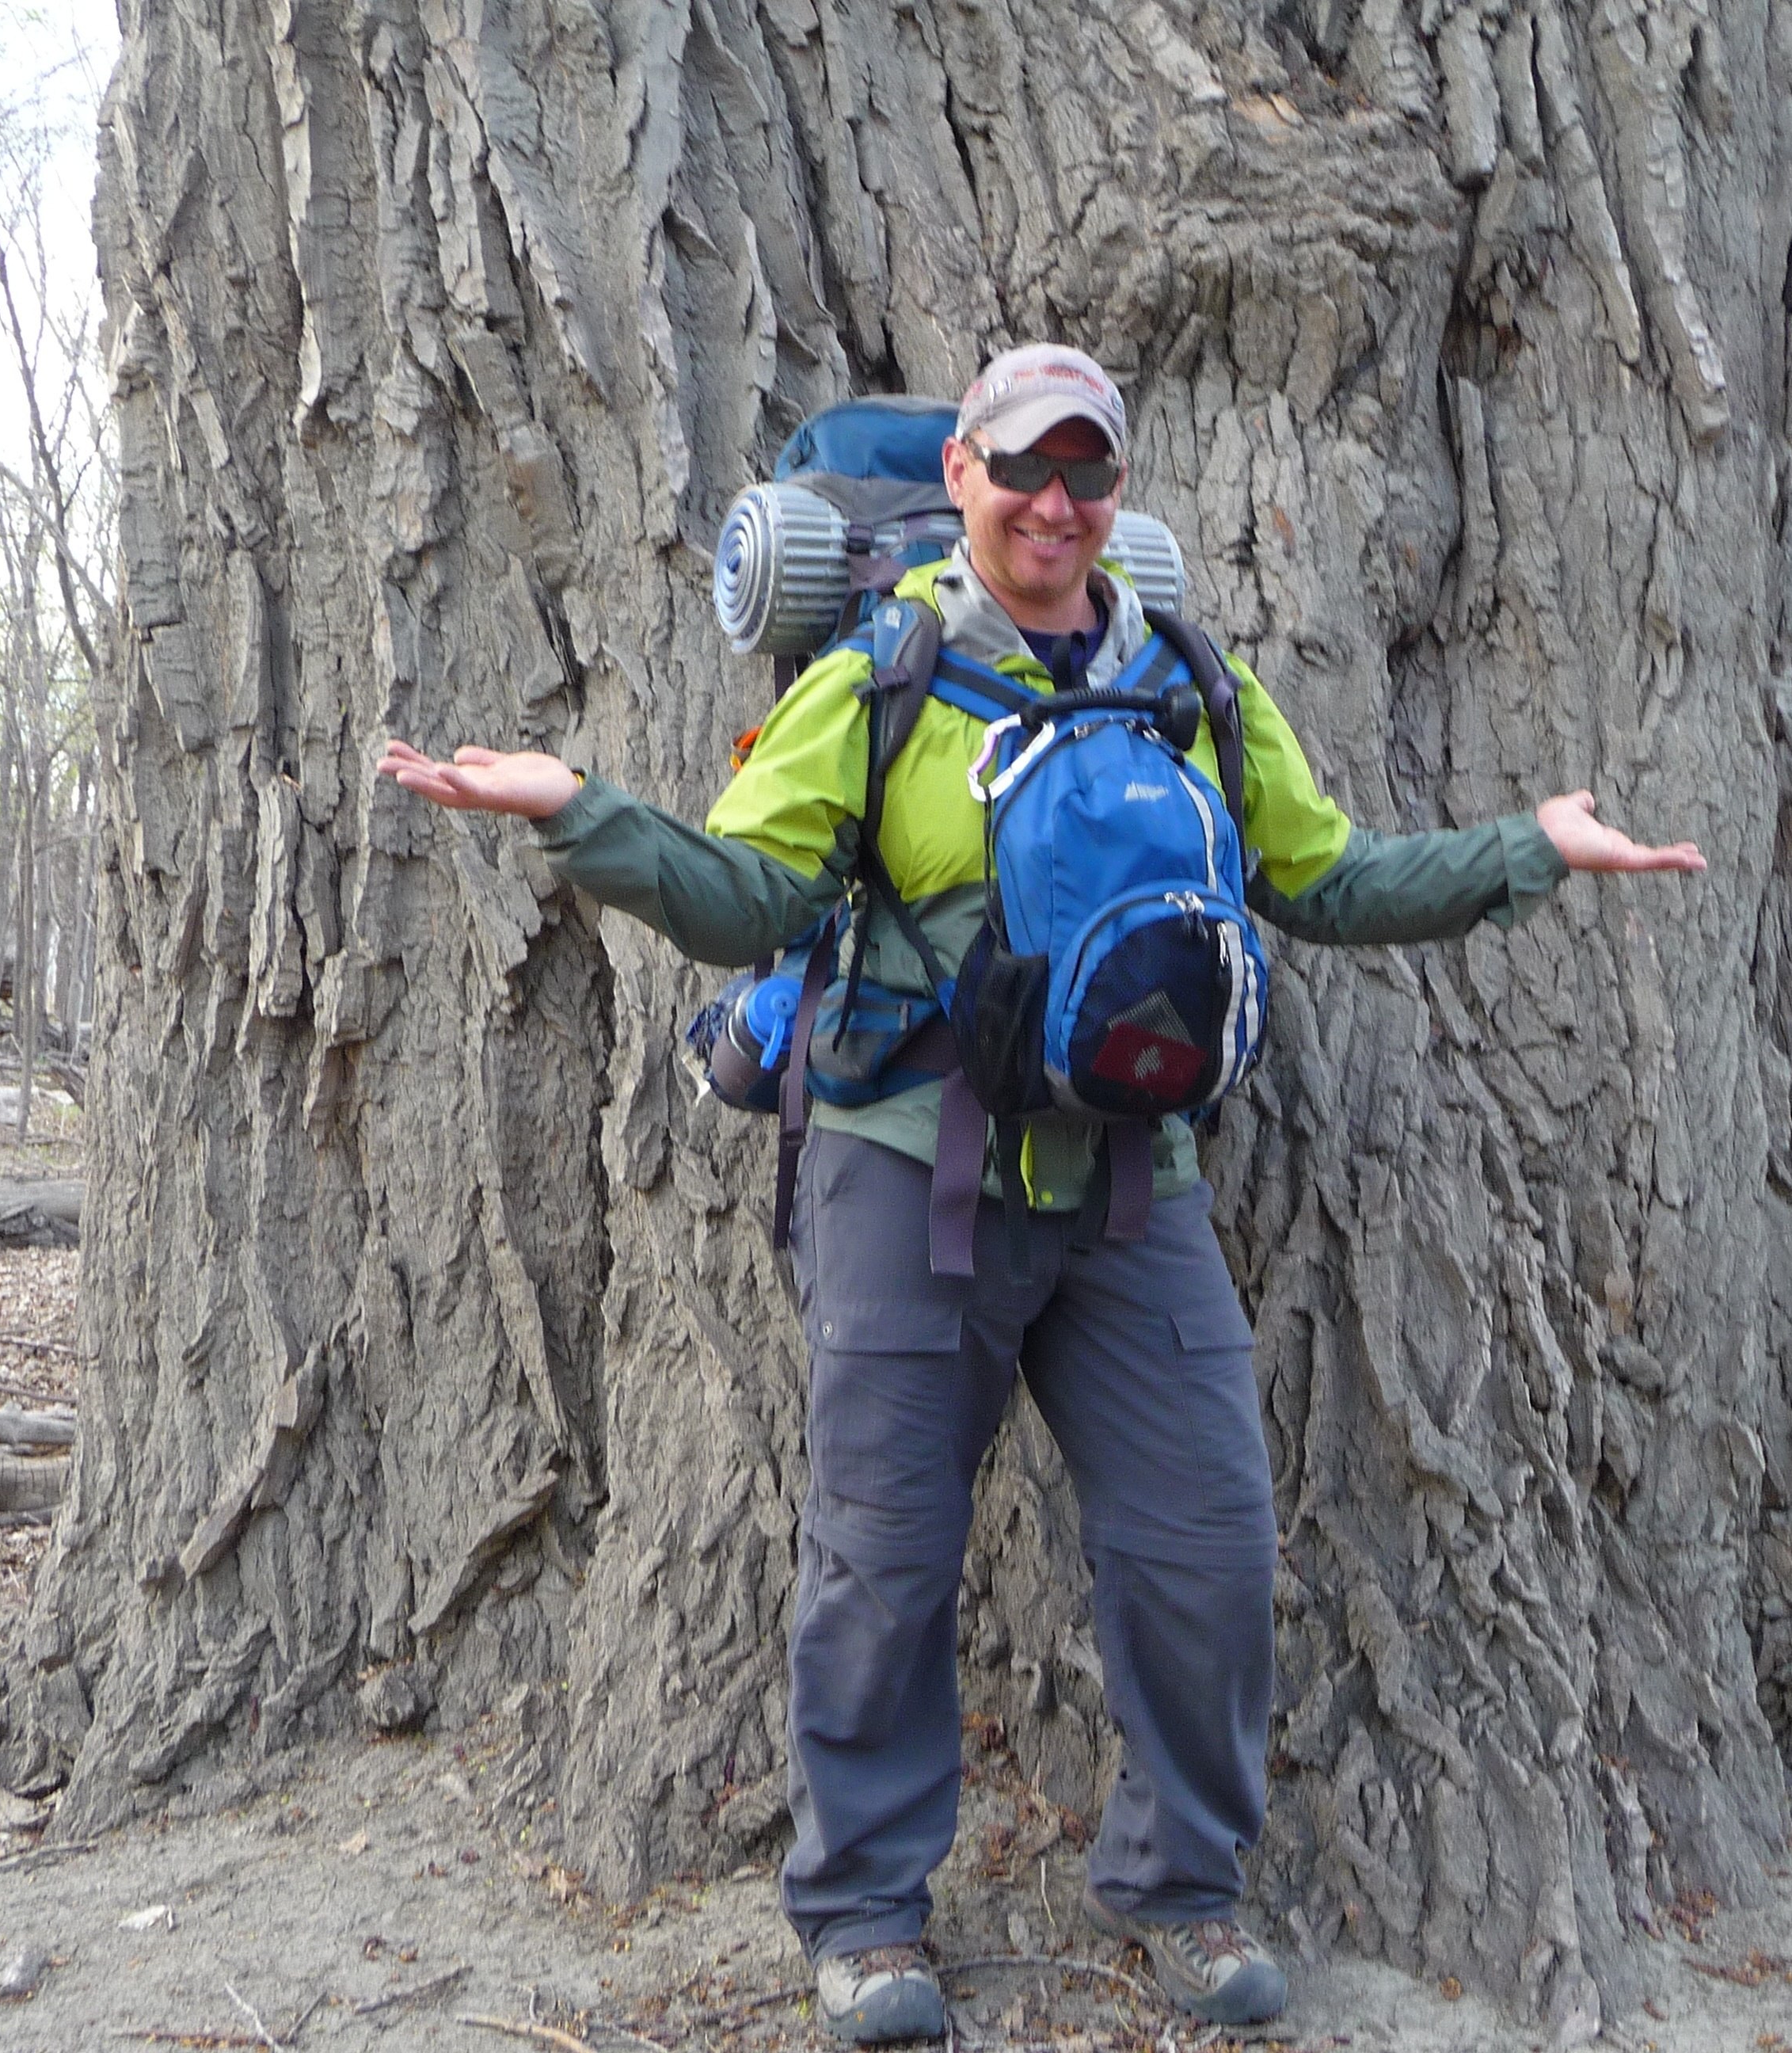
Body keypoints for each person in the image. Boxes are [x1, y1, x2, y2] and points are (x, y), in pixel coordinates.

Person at [379, 343, 1704, 2044]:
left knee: (1210, 1543)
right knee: (882, 1561)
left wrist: (1526, 850)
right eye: (1027, 470)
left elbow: (1329, 877)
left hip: (1132, 1191)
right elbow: (743, 896)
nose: (1057, 506)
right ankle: (864, 1916)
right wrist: (581, 814)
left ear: (1119, 495)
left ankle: (1181, 1890)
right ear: (961, 477)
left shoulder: (1190, 684)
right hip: (903, 1180)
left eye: (1090, 476)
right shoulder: (882, 676)